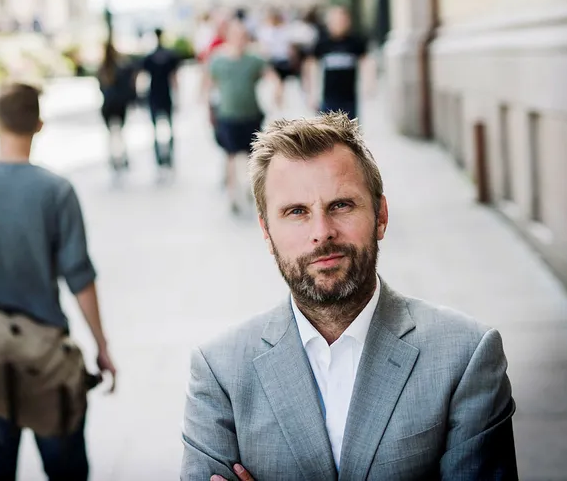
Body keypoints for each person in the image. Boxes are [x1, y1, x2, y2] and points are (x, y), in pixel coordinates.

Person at [180, 113, 518, 480]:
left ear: (381, 216)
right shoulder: (219, 371)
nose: (322, 232)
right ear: (266, 231)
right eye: (296, 212)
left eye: (340, 205)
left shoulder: (465, 356)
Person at [0, 83, 117, 481]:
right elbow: (79, 277)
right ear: (39, 125)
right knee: (66, 470)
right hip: (45, 359)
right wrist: (101, 346)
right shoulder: (57, 191)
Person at [202, 20, 266, 215]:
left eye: (243, 36)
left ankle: (249, 188)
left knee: (251, 156)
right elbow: (208, 84)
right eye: (236, 35)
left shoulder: (254, 59)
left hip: (251, 114)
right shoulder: (218, 60)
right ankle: (233, 195)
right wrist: (208, 109)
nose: (240, 40)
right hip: (228, 116)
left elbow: (269, 75)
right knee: (231, 155)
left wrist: (278, 92)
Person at [312, 6, 373, 120]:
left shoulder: (355, 42)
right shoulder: (323, 43)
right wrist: (312, 93)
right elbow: (311, 65)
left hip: (349, 98)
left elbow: (366, 62)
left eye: (342, 20)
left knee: (349, 131)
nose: (339, 24)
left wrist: (368, 84)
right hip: (328, 97)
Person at [142, 28, 180, 174]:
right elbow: (174, 78)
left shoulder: (150, 57)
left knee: (156, 130)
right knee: (169, 128)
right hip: (165, 95)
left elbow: (144, 78)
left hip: (154, 95)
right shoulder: (168, 56)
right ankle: (169, 155)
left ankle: (159, 157)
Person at [97, 39, 137, 176]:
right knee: (120, 133)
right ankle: (123, 157)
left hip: (108, 106)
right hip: (119, 105)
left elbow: (101, 88)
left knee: (111, 135)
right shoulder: (120, 67)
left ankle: (113, 159)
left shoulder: (103, 68)